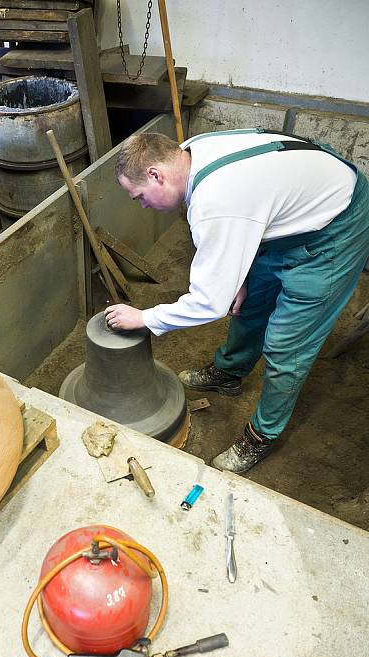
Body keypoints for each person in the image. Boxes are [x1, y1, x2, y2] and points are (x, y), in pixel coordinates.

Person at [105, 128, 369, 473]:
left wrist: (145, 318)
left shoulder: (216, 203)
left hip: (334, 226)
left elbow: (209, 303)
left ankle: (262, 435)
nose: (142, 205)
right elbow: (241, 220)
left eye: (138, 196)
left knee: (286, 345)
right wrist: (238, 276)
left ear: (156, 174)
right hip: (289, 209)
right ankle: (229, 372)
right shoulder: (189, 152)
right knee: (250, 302)